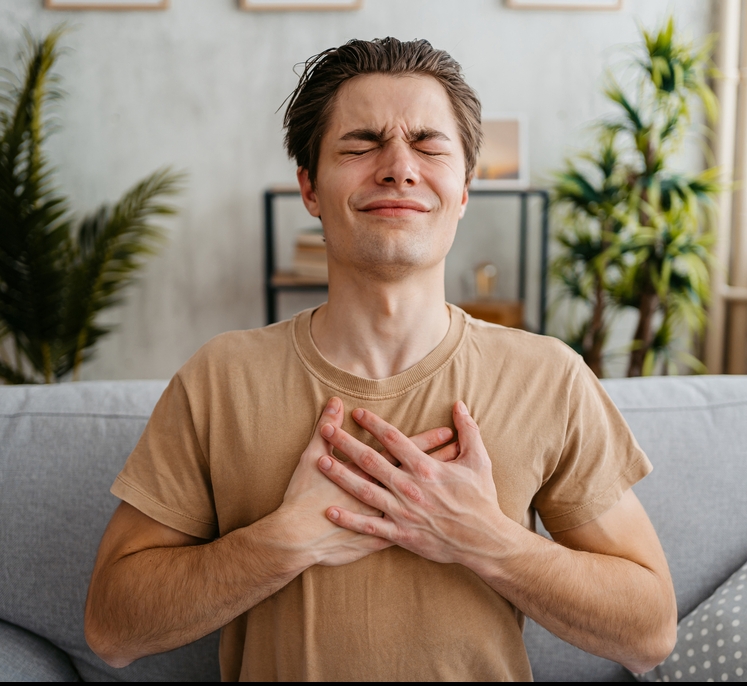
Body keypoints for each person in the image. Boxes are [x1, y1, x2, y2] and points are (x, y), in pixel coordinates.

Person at [84, 37, 677, 681]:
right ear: (309, 187)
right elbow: (112, 631)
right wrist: (283, 542)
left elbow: (649, 634)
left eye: (428, 145)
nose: (398, 167)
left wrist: (489, 540)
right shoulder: (219, 378)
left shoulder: (550, 377)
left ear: (465, 187)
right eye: (361, 145)